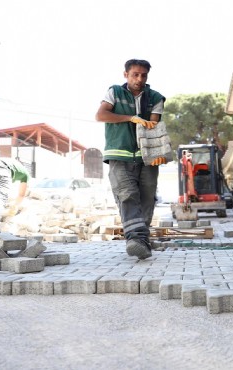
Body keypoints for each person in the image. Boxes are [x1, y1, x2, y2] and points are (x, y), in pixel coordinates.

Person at [95, 59, 166, 260]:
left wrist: (159, 153)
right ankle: (136, 239)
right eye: (135, 74)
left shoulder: (155, 97)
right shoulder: (115, 92)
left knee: (147, 199)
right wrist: (129, 117)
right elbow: (101, 115)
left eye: (143, 75)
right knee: (127, 195)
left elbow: (154, 127)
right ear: (126, 74)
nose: (139, 78)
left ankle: (141, 241)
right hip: (119, 154)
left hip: (147, 158)